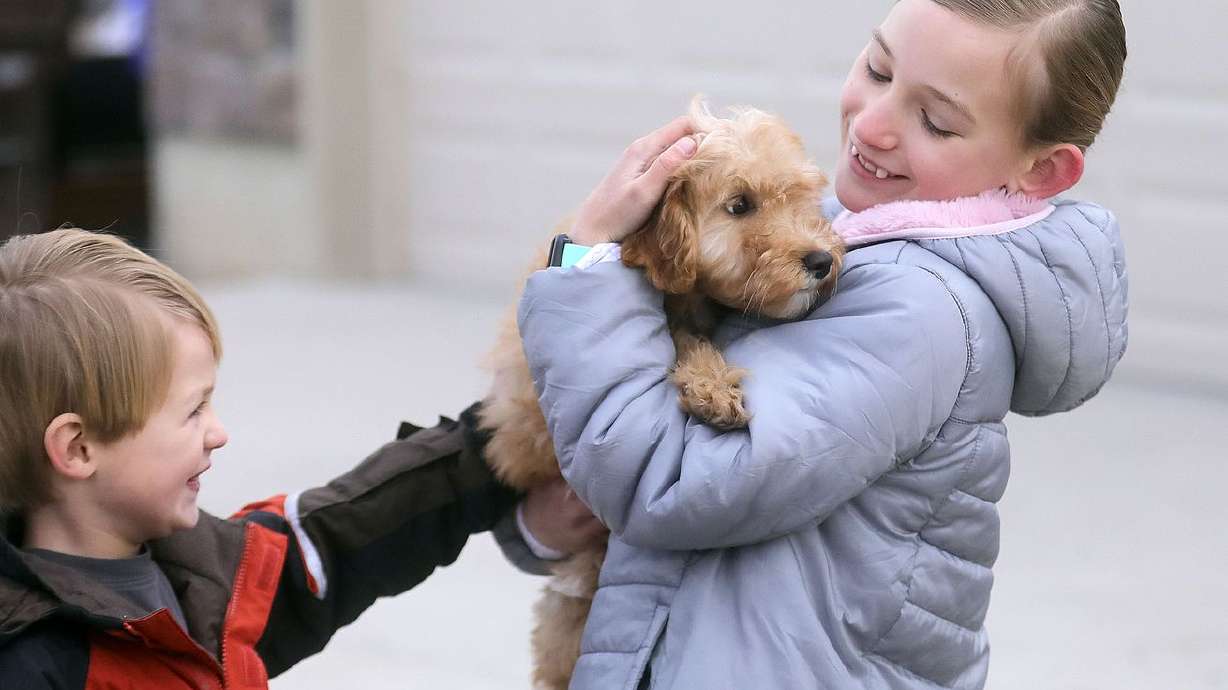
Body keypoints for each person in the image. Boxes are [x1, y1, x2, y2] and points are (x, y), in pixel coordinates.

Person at [517, 1, 1129, 688]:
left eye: (935, 121)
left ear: (1041, 172)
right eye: (877, 68)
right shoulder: (847, 236)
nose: (871, 124)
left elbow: (671, 485)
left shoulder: (919, 312)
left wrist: (589, 262)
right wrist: (530, 518)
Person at [0, 228, 599, 687]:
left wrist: (493, 444)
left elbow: (345, 532)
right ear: (78, 449)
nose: (218, 432)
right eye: (192, 410)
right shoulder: (36, 664)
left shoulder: (203, 578)